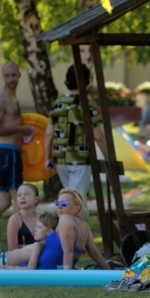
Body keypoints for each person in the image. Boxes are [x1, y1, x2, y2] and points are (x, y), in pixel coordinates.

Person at [45, 64, 108, 201]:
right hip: (80, 158)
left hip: (60, 158)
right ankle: (71, 223)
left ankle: (70, 222)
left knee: (69, 199)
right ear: (87, 80)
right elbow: (98, 136)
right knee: (76, 201)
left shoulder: (58, 102)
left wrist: (48, 158)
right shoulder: (87, 103)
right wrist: (108, 156)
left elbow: (49, 134)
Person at [0, 61, 35, 232]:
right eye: (7, 76)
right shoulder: (1, 99)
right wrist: (21, 129)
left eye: (14, 75)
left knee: (5, 202)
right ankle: (15, 244)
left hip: (9, 153)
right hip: (6, 153)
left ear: (19, 75)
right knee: (19, 200)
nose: (11, 79)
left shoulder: (13, 98)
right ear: (2, 77)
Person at [52, 188, 110, 270]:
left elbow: (68, 251)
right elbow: (95, 253)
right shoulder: (85, 225)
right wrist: (111, 273)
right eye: (57, 203)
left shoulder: (65, 219)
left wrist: (65, 277)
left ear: (77, 208)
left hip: (45, 269)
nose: (59, 206)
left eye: (64, 203)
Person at [6, 183, 40, 251]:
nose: (22, 197)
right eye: (19, 195)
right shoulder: (14, 220)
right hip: (21, 259)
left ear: (36, 199)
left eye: (26, 194)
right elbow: (12, 250)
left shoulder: (40, 218)